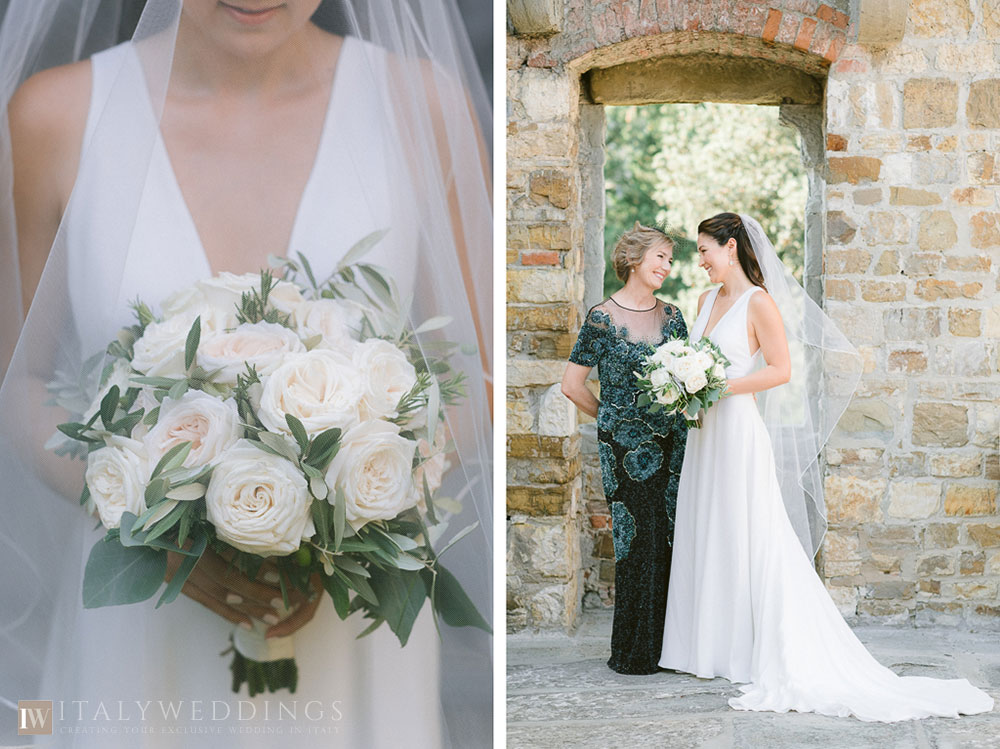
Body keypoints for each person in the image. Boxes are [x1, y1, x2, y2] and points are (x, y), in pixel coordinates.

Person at [0, 1, 492, 746]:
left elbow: (478, 371)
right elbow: (20, 382)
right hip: (138, 622)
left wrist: (349, 508)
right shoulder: (54, 116)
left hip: (350, 630)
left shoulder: (421, 104)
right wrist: (148, 522)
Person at [659, 212, 993, 721]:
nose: (699, 260)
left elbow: (780, 370)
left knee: (745, 530)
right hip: (703, 433)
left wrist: (716, 386)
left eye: (705, 250)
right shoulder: (704, 301)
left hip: (738, 430)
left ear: (730, 247)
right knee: (707, 527)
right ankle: (702, 647)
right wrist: (684, 383)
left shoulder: (759, 302)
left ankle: (747, 647)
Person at [561, 222, 688, 674]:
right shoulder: (601, 318)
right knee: (634, 542)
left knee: (668, 539)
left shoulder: (673, 317)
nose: (667, 268)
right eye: (661, 258)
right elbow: (572, 386)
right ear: (635, 258)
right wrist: (613, 419)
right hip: (623, 450)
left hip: (672, 444)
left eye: (670, 261)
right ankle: (633, 652)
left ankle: (669, 647)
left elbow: (688, 380)